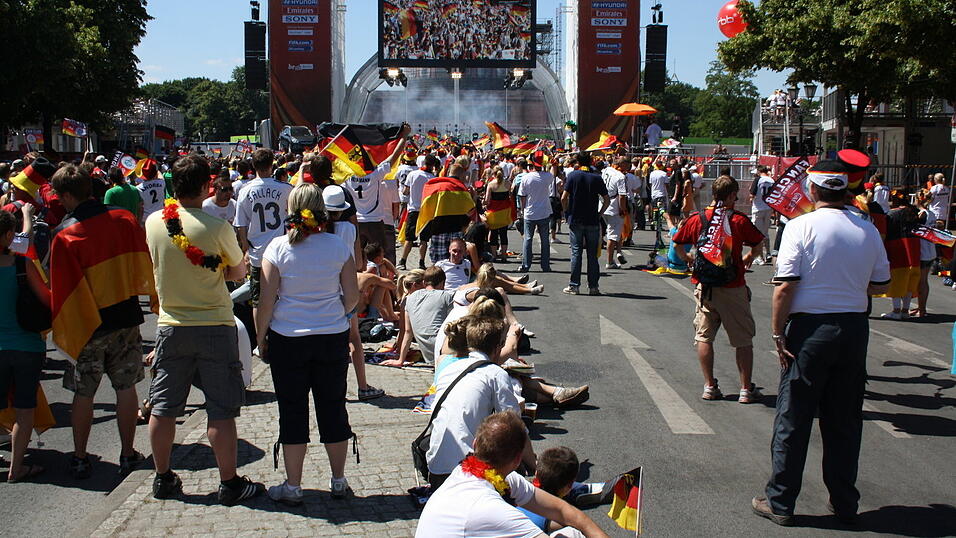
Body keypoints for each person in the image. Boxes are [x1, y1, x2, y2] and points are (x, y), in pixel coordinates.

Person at [753, 161, 891, 526]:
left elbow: (785, 286)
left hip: (810, 329)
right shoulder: (867, 229)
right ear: (844, 190)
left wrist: (777, 332)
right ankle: (844, 502)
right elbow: (881, 283)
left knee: (793, 417)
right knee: (844, 420)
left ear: (812, 190)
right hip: (853, 327)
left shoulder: (800, 226)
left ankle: (781, 501)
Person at [145, 154, 263, 505]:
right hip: (214, 324)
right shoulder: (216, 227)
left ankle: (162, 477)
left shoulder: (154, 222)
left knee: (164, 406)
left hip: (171, 324)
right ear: (205, 186)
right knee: (220, 410)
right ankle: (229, 483)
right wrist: (222, 270)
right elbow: (238, 272)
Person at [48, 165, 157, 478]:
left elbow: (63, 288)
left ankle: (80, 458)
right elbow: (142, 260)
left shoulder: (64, 234)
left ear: (68, 195)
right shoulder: (123, 219)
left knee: (84, 393)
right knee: (126, 387)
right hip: (125, 316)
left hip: (88, 324)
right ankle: (128, 454)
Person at [256, 183, 360, 505]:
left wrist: (261, 338)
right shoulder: (338, 246)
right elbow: (352, 297)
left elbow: (266, 302)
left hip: (288, 339)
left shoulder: (277, 248)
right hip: (331, 337)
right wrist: (334, 312)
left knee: (292, 410)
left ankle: (293, 485)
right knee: (333, 407)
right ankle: (339, 480)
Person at [417, 411, 609, 538]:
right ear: (518, 460)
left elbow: (563, 511)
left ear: (475, 444)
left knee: (573, 531)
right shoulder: (491, 509)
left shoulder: (467, 472)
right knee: (573, 535)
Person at [673, 175, 766, 404]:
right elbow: (758, 243)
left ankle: (709, 386)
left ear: (713, 194)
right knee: (742, 340)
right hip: (733, 287)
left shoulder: (698, 219)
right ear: (732, 195)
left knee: (704, 337)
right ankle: (745, 389)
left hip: (705, 287)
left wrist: (689, 260)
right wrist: (747, 258)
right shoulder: (739, 220)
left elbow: (677, 243)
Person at [0, 208, 50, 482]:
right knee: (24, 409)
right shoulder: (22, 265)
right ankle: (16, 468)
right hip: (26, 347)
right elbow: (47, 299)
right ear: (9, 235)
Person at [234, 148, 294, 329]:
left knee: (258, 300)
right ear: (272, 165)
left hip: (257, 251)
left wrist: (245, 249)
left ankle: (261, 338)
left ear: (253, 165)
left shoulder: (245, 190)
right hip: (282, 250)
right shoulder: (285, 188)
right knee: (284, 295)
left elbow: (241, 224)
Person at [341, 124, 410, 265]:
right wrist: (404, 135)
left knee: (357, 256)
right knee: (380, 256)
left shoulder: (347, 176)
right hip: (374, 221)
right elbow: (395, 156)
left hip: (356, 221)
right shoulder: (375, 174)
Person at [561, 152, 610, 296]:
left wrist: (566, 212)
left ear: (578, 162)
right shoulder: (596, 178)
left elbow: (564, 198)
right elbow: (606, 199)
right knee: (592, 255)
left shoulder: (573, 176)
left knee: (576, 252)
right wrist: (600, 214)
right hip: (592, 219)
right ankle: (593, 287)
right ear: (590, 162)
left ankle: (574, 286)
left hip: (576, 219)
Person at [396, 266, 457, 366]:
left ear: (424, 282)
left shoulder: (409, 298)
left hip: (428, 354)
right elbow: (453, 325)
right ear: (442, 283)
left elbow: (408, 332)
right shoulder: (445, 296)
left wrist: (400, 360)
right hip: (443, 349)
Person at [399, 154, 439, 270]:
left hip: (413, 209)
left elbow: (405, 191)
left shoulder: (413, 174)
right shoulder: (432, 178)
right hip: (426, 212)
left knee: (409, 238)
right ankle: (421, 262)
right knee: (424, 239)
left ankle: (403, 261)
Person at [518, 151, 555, 273]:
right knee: (545, 240)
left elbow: (522, 196)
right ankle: (545, 266)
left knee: (528, 239)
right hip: (544, 211)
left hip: (530, 212)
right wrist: (553, 163)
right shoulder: (547, 176)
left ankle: (526, 265)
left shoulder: (526, 177)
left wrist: (522, 210)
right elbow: (553, 173)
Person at [601, 156, 629, 269]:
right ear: (623, 165)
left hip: (603, 204)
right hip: (614, 207)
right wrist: (623, 209)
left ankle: (618, 253)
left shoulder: (606, 170)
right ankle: (609, 261)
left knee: (614, 232)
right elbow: (622, 196)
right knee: (612, 235)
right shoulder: (620, 176)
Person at [750, 165, 776, 265]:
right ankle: (768, 253)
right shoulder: (772, 180)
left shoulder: (758, 179)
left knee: (757, 233)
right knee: (765, 232)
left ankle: (759, 257)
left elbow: (752, 194)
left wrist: (751, 198)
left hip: (758, 208)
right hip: (768, 208)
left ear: (759, 171)